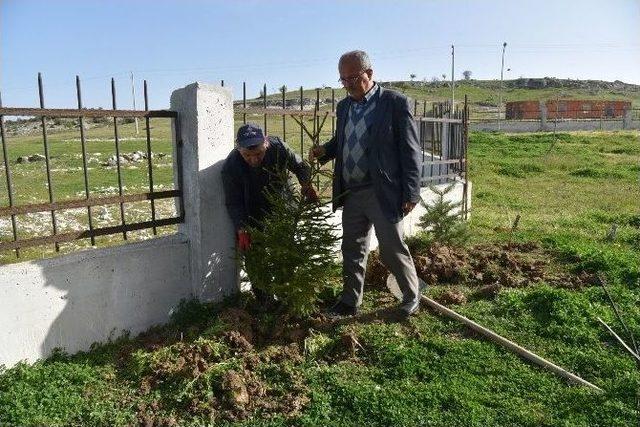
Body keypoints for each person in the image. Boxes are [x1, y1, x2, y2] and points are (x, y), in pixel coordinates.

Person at [309, 50, 422, 318]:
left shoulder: (394, 103)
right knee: (352, 248)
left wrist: (412, 192)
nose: (347, 84)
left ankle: (411, 296)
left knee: (392, 248)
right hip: (352, 191)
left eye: (352, 78)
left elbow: (410, 150)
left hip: (381, 190)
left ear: (369, 74)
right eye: (343, 80)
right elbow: (344, 140)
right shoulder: (344, 107)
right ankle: (350, 301)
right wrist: (325, 150)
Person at [222, 122, 318, 252]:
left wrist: (306, 183)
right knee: (256, 259)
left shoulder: (278, 147)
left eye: (259, 153)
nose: (254, 160)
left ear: (266, 143)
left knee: (285, 252)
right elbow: (234, 202)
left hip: (283, 207)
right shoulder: (231, 166)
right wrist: (241, 228)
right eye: (247, 155)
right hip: (252, 215)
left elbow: (299, 165)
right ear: (238, 149)